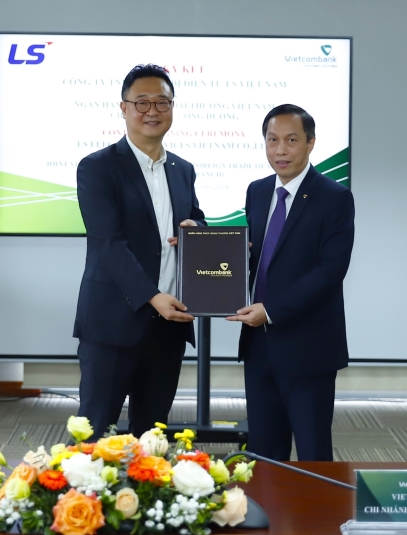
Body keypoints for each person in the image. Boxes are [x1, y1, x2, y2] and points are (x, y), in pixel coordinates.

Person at [73, 64, 205, 439]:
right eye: (142, 102)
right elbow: (107, 243)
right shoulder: (97, 168)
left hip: (169, 325)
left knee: (152, 438)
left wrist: (197, 230)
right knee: (93, 435)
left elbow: (196, 218)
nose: (152, 111)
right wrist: (152, 296)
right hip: (112, 323)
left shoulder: (183, 169)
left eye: (162, 102)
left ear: (172, 107)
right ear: (124, 108)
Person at [226, 104, 355, 461]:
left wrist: (270, 311)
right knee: (264, 452)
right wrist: (200, 245)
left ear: (311, 143)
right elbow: (254, 255)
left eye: (291, 140)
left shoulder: (334, 197)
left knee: (313, 454)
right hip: (258, 345)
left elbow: (330, 271)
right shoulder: (257, 191)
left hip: (308, 345)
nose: (280, 150)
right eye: (272, 140)